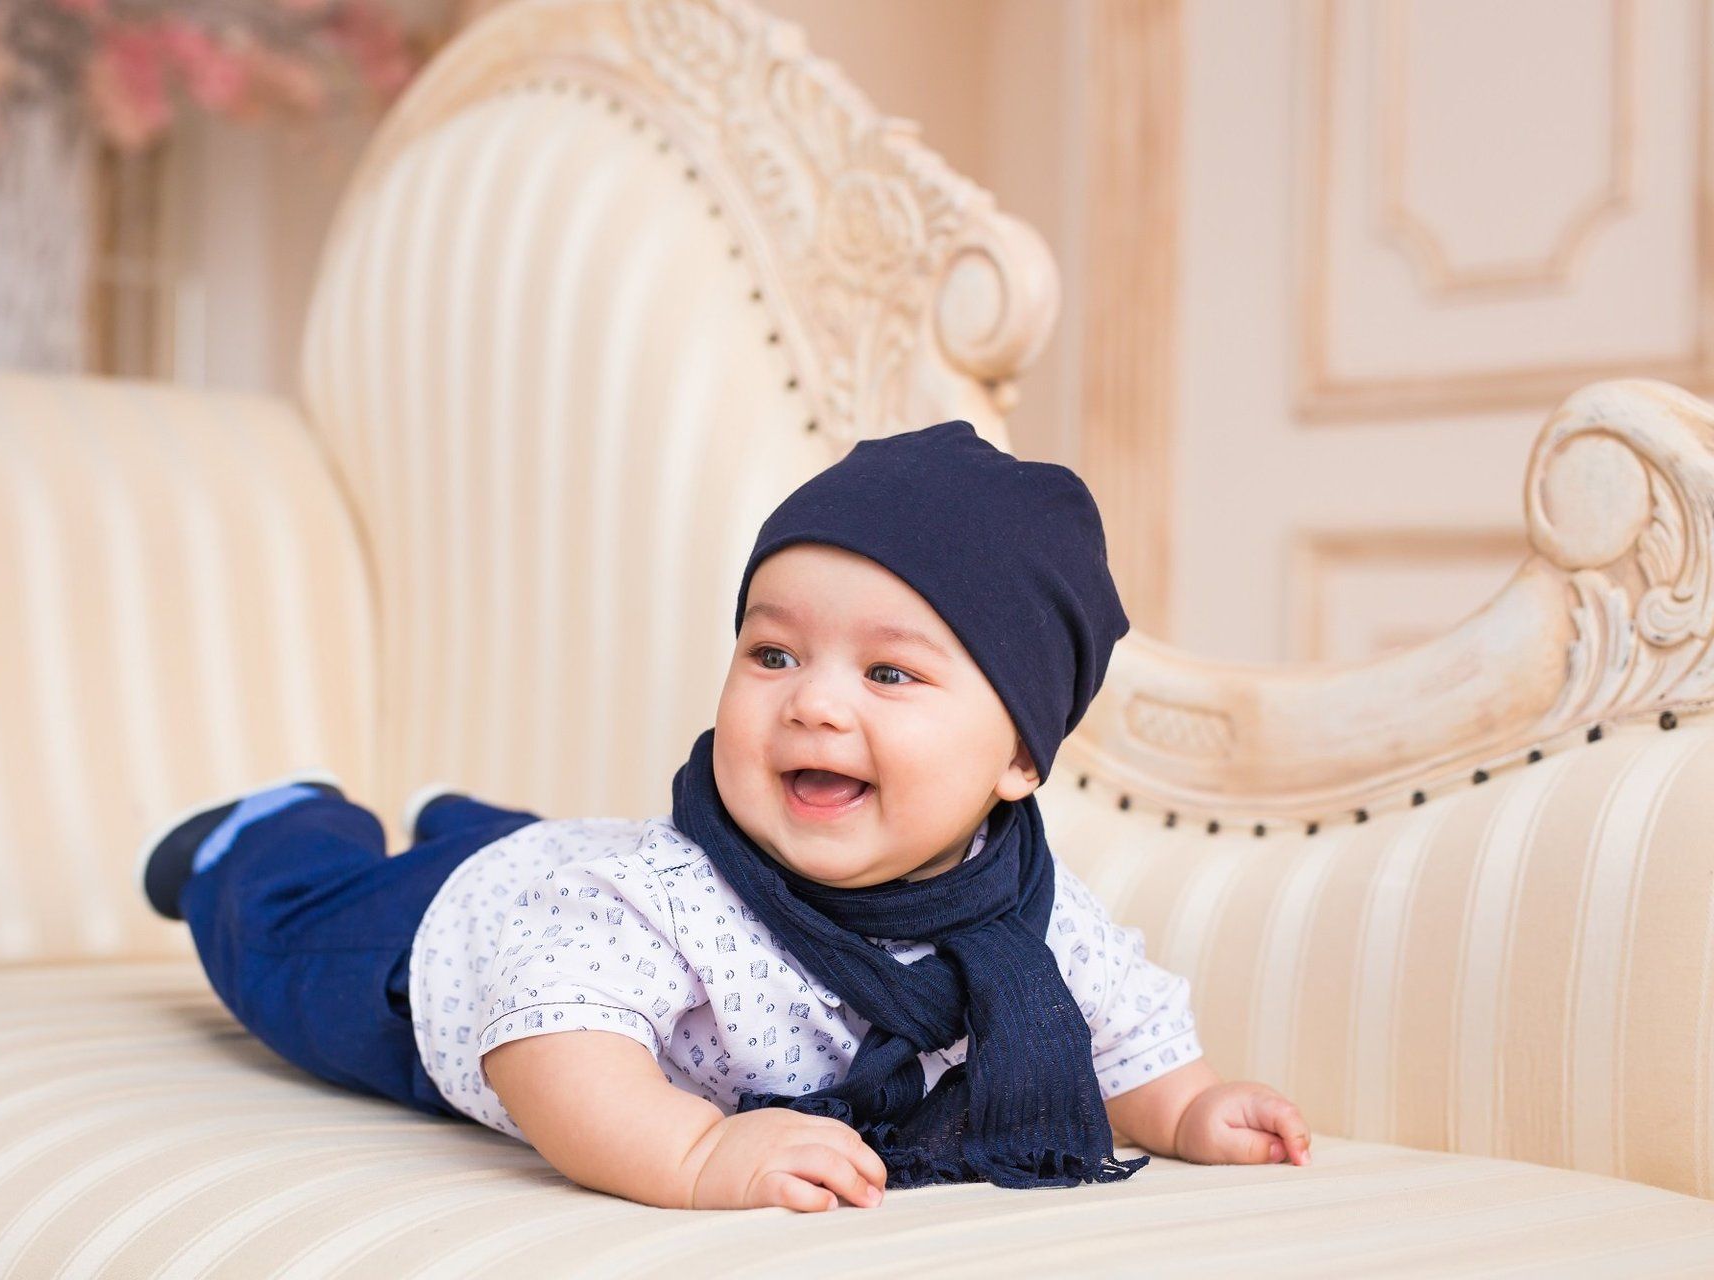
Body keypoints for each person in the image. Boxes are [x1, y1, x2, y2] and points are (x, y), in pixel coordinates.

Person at [137, 420, 1313, 1213]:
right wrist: (698, 1153)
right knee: (285, 938)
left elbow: (1127, 1042)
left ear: (1016, 754)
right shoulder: (675, 895)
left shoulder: (1030, 926)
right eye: (774, 650)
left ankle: (466, 822)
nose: (812, 702)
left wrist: (1196, 1109)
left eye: (889, 675)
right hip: (432, 948)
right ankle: (273, 827)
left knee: (534, 858)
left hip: (555, 875)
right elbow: (556, 1054)